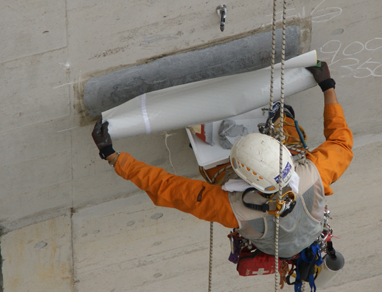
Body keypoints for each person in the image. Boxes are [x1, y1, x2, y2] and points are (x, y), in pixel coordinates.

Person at [91, 62, 353, 258]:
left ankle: (225, 158)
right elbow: (341, 142)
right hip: (300, 231)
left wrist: (114, 157)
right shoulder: (313, 172)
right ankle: (281, 120)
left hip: (282, 236)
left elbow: (169, 189)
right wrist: (328, 87)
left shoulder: (234, 209)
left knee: (216, 168)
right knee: (284, 121)